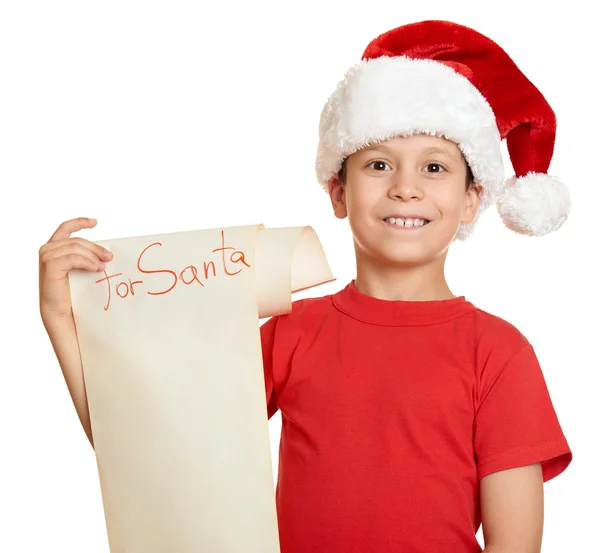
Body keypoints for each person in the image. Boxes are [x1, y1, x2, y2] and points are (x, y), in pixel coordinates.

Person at [38, 20, 572, 553]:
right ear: (338, 192)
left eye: (434, 167)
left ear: (472, 199)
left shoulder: (500, 354)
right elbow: (148, 454)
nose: (406, 188)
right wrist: (62, 318)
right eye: (379, 164)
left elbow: (515, 546)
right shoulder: (292, 330)